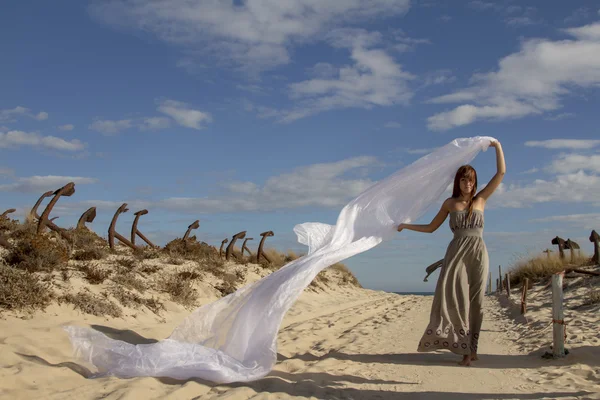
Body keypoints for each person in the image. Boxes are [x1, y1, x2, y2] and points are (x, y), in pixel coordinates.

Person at [397, 139, 505, 366]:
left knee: (478, 302)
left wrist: (497, 146)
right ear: (458, 182)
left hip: (478, 253)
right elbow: (431, 228)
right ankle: (464, 349)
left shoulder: (481, 200)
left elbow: (501, 172)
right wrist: (407, 225)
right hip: (457, 254)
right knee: (458, 300)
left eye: (471, 180)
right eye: (464, 179)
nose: (468, 183)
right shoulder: (449, 203)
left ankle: (472, 349)